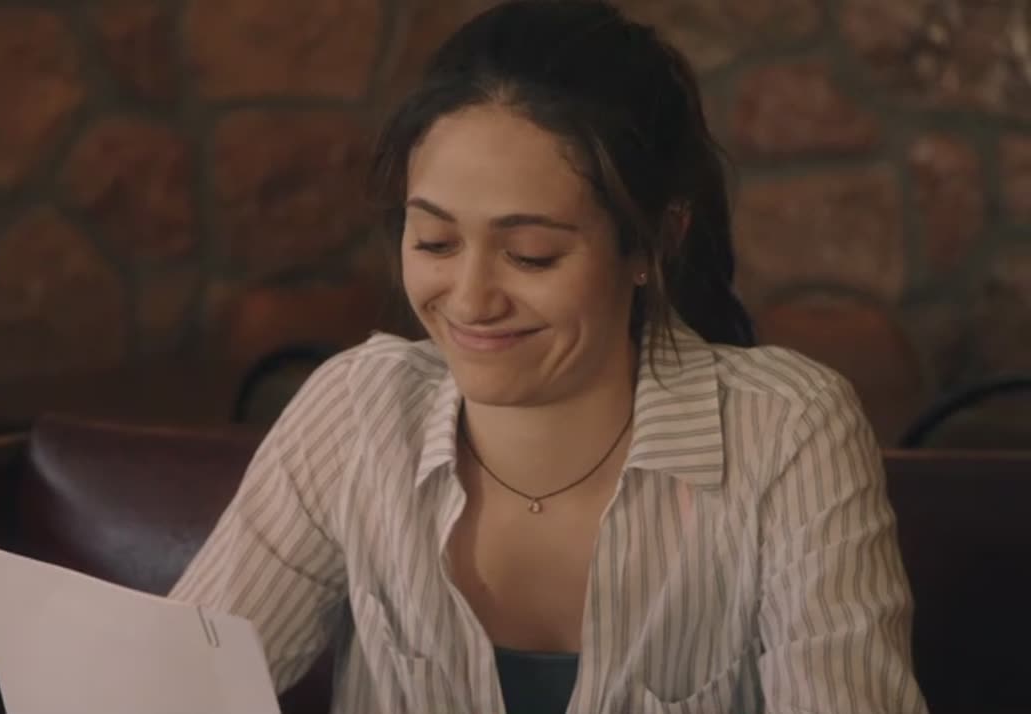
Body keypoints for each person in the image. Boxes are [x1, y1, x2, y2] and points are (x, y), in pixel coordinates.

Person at [171, 2, 928, 712]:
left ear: (655, 241)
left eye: (531, 254)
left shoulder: (786, 432)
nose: (470, 299)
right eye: (434, 241)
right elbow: (167, 688)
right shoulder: (356, 413)